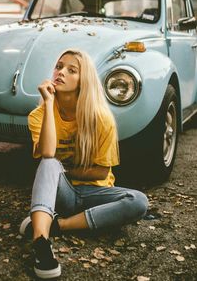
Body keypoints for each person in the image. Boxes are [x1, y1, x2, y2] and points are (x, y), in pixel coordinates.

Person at [20, 48, 148, 279]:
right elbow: (47, 153)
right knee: (49, 163)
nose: (61, 72)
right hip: (62, 193)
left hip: (95, 194)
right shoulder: (38, 115)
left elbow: (101, 172)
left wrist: (65, 169)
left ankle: (60, 225)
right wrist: (49, 104)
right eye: (59, 67)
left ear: (84, 80)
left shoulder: (100, 118)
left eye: (72, 70)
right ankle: (41, 241)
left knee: (138, 201)